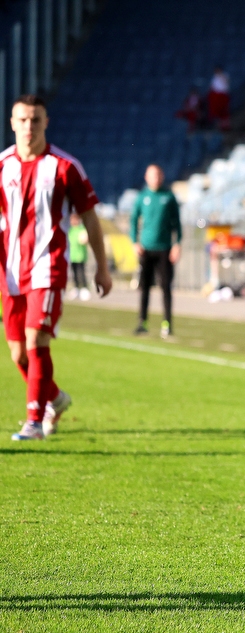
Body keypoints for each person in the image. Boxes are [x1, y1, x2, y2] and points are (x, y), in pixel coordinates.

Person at [1, 94, 112, 440]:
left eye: (36, 120)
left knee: (36, 343)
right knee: (18, 353)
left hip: (47, 268)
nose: (29, 126)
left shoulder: (65, 166)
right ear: (12, 123)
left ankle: (34, 420)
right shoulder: (2, 165)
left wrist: (102, 267)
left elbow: (91, 219)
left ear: (46, 122)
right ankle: (55, 398)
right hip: (10, 272)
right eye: (23, 120)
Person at [131, 164, 182, 337]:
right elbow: (133, 220)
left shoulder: (168, 197)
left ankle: (167, 323)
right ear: (146, 177)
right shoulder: (142, 197)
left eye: (159, 175)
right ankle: (142, 322)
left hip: (164, 249)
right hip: (146, 249)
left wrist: (177, 244)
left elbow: (177, 223)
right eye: (153, 175)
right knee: (144, 287)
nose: (156, 178)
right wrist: (134, 242)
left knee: (166, 287)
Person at [67, 213, 91, 300]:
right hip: (72, 256)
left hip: (80, 256)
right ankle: (76, 288)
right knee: (74, 273)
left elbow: (85, 239)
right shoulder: (70, 230)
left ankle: (84, 288)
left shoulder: (82, 229)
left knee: (81, 273)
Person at [208, 67, 230, 131]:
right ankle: (218, 126)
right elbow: (212, 87)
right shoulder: (214, 77)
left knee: (224, 111)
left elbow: (226, 84)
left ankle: (225, 126)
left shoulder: (224, 75)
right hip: (216, 96)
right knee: (217, 112)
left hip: (222, 95)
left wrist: (221, 76)